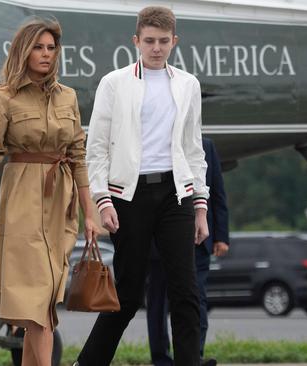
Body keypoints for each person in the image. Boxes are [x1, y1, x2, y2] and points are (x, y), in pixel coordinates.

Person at [75, 6, 209, 366]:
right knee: (129, 293)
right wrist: (103, 201)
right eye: (149, 41)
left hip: (175, 194)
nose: (156, 48)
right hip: (128, 197)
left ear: (174, 42)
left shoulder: (187, 84)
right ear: (136, 41)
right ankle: (87, 363)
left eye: (164, 41)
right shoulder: (114, 83)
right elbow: (96, 148)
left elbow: (193, 149)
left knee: (186, 290)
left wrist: (200, 207)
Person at [0, 17, 97, 366]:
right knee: (38, 310)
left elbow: (78, 157)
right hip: (23, 202)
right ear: (23, 52)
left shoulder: (68, 96)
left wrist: (90, 213)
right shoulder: (4, 97)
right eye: (38, 47)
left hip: (63, 204)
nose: (45, 54)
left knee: (42, 309)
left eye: (51, 48)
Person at [146, 137, 230, 366]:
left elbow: (217, 190)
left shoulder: (207, 145)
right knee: (158, 304)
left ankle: (195, 356)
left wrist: (221, 235)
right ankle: (161, 358)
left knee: (197, 300)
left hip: (198, 242)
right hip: (160, 243)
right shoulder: (155, 142)